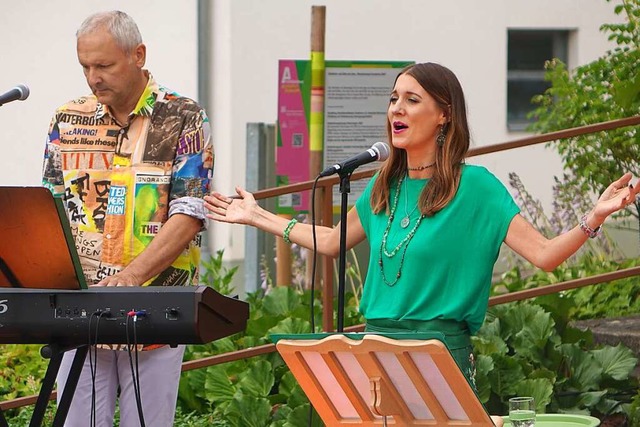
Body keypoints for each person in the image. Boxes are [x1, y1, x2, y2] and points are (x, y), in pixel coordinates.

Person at [204, 61, 637, 404]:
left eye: (412, 100)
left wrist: (594, 216)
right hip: (373, 349)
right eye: (394, 99)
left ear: (444, 114)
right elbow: (334, 241)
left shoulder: (476, 188)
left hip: (437, 353)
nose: (396, 108)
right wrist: (258, 216)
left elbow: (544, 255)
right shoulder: (383, 185)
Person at [42, 10, 213, 427]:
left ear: (138, 55)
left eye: (104, 65)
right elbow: (48, 207)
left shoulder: (183, 116)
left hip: (155, 308)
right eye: (85, 66)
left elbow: (189, 211)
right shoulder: (67, 119)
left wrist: (131, 277)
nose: (93, 77)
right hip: (78, 307)